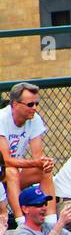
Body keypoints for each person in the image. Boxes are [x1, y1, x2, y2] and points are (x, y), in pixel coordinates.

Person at [0, 82, 55, 216]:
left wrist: (44, 163)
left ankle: (51, 221)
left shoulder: (35, 119)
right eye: (30, 104)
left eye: (37, 104)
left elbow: (38, 157)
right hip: (3, 172)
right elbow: (5, 161)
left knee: (44, 170)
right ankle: (22, 223)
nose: (35, 108)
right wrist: (35, 162)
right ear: (15, 104)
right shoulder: (1, 118)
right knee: (11, 171)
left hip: (12, 175)